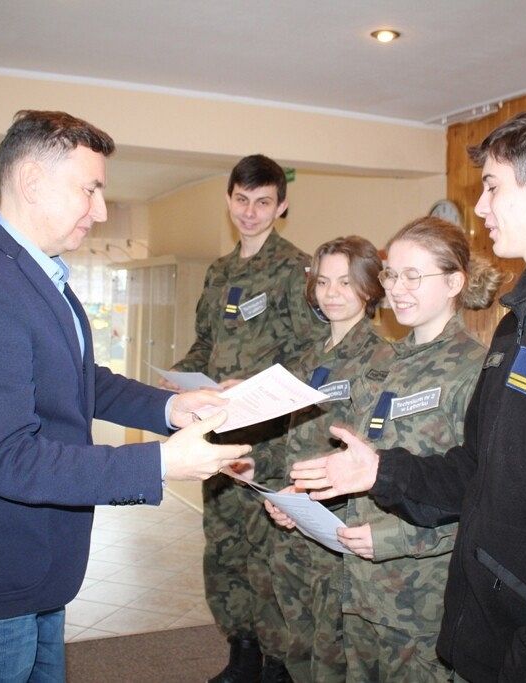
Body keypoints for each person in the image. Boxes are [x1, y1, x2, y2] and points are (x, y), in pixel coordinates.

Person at [292, 109, 526, 682]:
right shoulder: (520, 324)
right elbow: (477, 470)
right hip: (494, 625)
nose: (480, 208)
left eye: (492, 187)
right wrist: (382, 473)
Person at [0, 110, 251, 683]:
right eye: (90, 189)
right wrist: (161, 462)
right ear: (32, 182)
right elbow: (11, 459)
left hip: (34, 562)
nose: (100, 210)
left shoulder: (33, 274)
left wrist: (171, 408)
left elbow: (81, 380)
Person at [276, 219, 501, 681]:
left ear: (454, 282)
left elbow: (485, 501)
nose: (397, 288)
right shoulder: (385, 366)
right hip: (361, 592)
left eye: (413, 276)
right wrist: (305, 500)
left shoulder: (476, 371)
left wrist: (394, 539)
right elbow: (363, 468)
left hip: (422, 604)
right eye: (391, 274)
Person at [166, 154, 328, 683]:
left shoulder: (297, 270)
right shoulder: (220, 271)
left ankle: (277, 664)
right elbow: (206, 344)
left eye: (263, 202)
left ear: (281, 206)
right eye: (241, 200)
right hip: (217, 434)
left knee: (268, 551)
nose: (250, 212)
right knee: (225, 544)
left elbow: (312, 354)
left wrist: (250, 383)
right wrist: (180, 377)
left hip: (270, 438)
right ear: (229, 200)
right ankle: (242, 653)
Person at [254, 236, 388, 682]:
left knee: (333, 657)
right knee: (299, 648)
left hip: (338, 531)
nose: (331, 293)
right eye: (323, 281)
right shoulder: (307, 358)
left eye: (345, 282)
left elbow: (373, 454)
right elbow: (286, 435)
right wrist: (276, 491)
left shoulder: (382, 359)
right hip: (294, 523)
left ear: (369, 287)